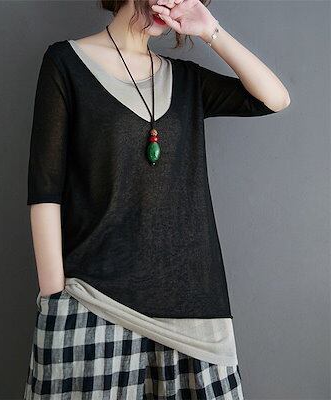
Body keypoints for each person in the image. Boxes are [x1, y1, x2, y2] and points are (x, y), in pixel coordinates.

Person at [23, 0, 290, 398]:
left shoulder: (186, 80)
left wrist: (210, 30)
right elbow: (46, 187)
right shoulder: (66, 63)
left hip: (192, 312)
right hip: (95, 302)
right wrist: (54, 296)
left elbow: (274, 99)